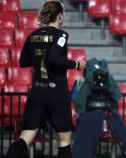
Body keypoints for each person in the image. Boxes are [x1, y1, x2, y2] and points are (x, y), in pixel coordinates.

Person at [5, 1, 85, 158]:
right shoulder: (61, 35)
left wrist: (38, 56)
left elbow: (23, 62)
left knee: (25, 137)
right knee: (64, 140)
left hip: (37, 92)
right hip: (56, 93)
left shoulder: (33, 35)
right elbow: (53, 58)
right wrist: (76, 64)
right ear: (60, 16)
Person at [72, 58, 126, 158]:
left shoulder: (86, 80)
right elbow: (116, 96)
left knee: (82, 151)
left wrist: (81, 114)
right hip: (106, 112)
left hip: (91, 114)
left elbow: (79, 103)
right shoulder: (106, 79)